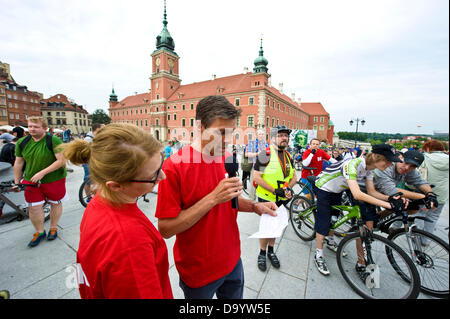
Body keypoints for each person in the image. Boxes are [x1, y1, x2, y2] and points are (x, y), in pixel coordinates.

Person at [155, 95, 277, 299]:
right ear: (200, 128)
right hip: (199, 271)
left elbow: (229, 201)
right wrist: (212, 198)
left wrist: (255, 207)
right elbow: (166, 229)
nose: (228, 140)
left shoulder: (225, 158)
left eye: (231, 132)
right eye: (221, 132)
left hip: (232, 260)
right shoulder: (174, 166)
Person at [61, 123, 173, 299]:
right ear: (116, 185)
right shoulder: (130, 244)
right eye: (153, 175)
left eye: (161, 166)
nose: (163, 176)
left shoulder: (98, 203)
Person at [313, 144, 403, 276]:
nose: (390, 164)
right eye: (387, 161)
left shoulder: (369, 170)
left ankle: (330, 241)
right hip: (324, 187)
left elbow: (372, 192)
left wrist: (390, 198)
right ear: (375, 157)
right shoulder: (353, 164)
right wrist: (389, 206)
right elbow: (357, 194)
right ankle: (319, 255)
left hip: (338, 189)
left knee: (334, 217)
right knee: (324, 221)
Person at [13, 117, 67, 247]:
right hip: (31, 181)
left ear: (45, 128)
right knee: (33, 207)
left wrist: (42, 172)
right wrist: (17, 180)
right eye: (30, 126)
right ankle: (39, 231)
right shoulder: (22, 142)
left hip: (54, 179)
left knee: (56, 203)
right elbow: (19, 162)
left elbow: (61, 160)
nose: (32, 129)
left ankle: (53, 228)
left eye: (36, 127)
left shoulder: (53, 140)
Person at [253, 125, 297, 271]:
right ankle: (262, 253)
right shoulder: (264, 154)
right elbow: (257, 178)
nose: (284, 138)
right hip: (266, 197)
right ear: (272, 138)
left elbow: (294, 177)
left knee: (277, 225)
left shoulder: (289, 155)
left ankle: (271, 251)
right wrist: (275, 190)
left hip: (281, 198)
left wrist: (288, 188)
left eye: (286, 135)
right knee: (266, 227)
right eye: (281, 135)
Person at [414, 140, 449, 243]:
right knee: (433, 217)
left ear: (429, 148)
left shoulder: (425, 158)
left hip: (424, 191)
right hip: (442, 194)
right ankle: (426, 240)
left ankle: (417, 237)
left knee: (420, 214)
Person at [244, 129, 269, 200]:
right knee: (253, 183)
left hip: (264, 166)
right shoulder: (251, 143)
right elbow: (246, 154)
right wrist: (257, 154)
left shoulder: (266, 144)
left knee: (263, 183)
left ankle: (262, 199)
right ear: (256, 135)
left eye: (262, 134)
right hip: (255, 166)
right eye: (260, 134)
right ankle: (252, 199)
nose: (261, 136)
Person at [82, 123, 104, 200]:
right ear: (97, 129)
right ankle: (89, 198)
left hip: (93, 161)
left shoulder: (96, 137)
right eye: (102, 129)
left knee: (95, 180)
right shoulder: (88, 139)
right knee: (89, 180)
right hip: (88, 161)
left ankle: (96, 197)